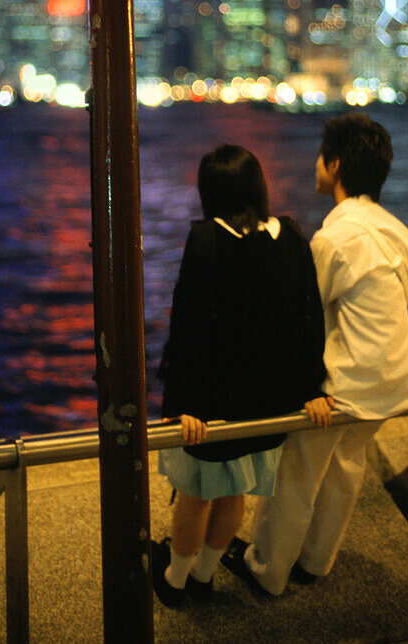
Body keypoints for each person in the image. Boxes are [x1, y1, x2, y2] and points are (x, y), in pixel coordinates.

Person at [222, 112, 408, 595]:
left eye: (320, 158)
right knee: (346, 470)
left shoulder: (334, 238)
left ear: (334, 165)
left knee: (297, 477)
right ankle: (315, 563)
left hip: (343, 385)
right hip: (392, 376)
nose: (315, 166)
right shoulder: (397, 231)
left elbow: (306, 310)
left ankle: (267, 569)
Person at [151, 144, 327, 608]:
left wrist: (183, 405)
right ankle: (205, 577)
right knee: (234, 492)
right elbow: (309, 319)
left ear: (208, 192)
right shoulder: (289, 234)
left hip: (212, 402)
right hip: (269, 403)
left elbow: (187, 328)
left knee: (194, 496)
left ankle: (174, 580)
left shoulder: (206, 239)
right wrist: (312, 390)